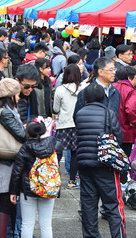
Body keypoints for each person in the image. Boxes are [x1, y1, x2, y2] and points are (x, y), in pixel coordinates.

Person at [74, 83, 126, 238]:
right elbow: (119, 138)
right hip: (105, 164)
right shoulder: (108, 113)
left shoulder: (80, 113)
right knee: (112, 205)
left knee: (88, 206)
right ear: (103, 97)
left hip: (84, 164)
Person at [0, 78, 27, 238]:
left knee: (6, 203)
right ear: (11, 96)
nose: (19, 98)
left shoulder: (2, 109)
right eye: (17, 95)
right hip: (5, 163)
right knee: (5, 203)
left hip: (6, 161)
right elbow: (21, 135)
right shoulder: (6, 112)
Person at [9, 120, 63, 238]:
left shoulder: (25, 147)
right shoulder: (55, 145)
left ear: (28, 133)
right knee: (46, 224)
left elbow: (17, 171)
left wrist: (13, 191)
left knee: (27, 224)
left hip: (28, 190)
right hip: (49, 186)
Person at [53, 64, 83, 189]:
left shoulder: (60, 89)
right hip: (77, 124)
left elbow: (55, 109)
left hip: (63, 124)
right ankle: (72, 180)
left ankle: (54, 179)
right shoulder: (82, 89)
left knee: (57, 153)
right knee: (75, 153)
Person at [112, 66, 136, 184]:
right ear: (130, 78)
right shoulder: (131, 90)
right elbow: (131, 109)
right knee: (124, 156)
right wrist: (134, 121)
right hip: (126, 129)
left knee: (113, 154)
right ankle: (122, 182)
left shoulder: (112, 87)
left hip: (112, 128)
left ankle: (113, 179)